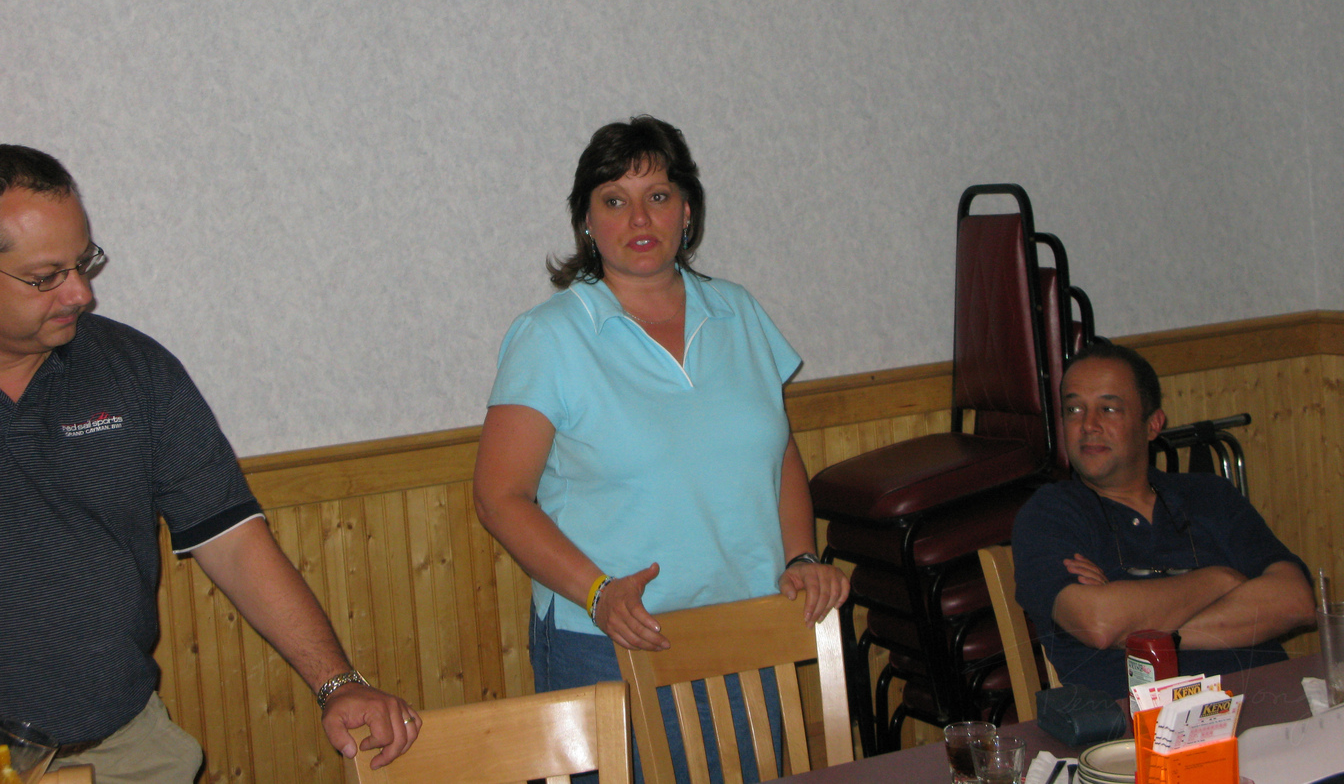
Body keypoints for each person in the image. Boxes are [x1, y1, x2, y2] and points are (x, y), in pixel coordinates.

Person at [0, 145, 421, 783]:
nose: (81, 292)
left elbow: (232, 538)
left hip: (123, 746)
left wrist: (337, 683)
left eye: (83, 263)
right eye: (46, 276)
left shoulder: (132, 369)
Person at [473, 115, 849, 782]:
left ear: (687, 210)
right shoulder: (549, 336)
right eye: (614, 200)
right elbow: (500, 497)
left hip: (744, 634)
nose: (639, 218)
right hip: (610, 643)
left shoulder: (739, 312)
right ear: (586, 223)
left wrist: (801, 555)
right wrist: (597, 594)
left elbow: (779, 453)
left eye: (658, 195)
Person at [1011, 340, 1315, 698]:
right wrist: (1222, 580)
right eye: (1074, 409)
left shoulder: (1210, 495)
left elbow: (1296, 601)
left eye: (1108, 409)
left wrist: (1144, 631)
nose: (1088, 425)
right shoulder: (1051, 514)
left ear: (1153, 424)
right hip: (1140, 721)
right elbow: (1100, 622)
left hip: (1266, 702)